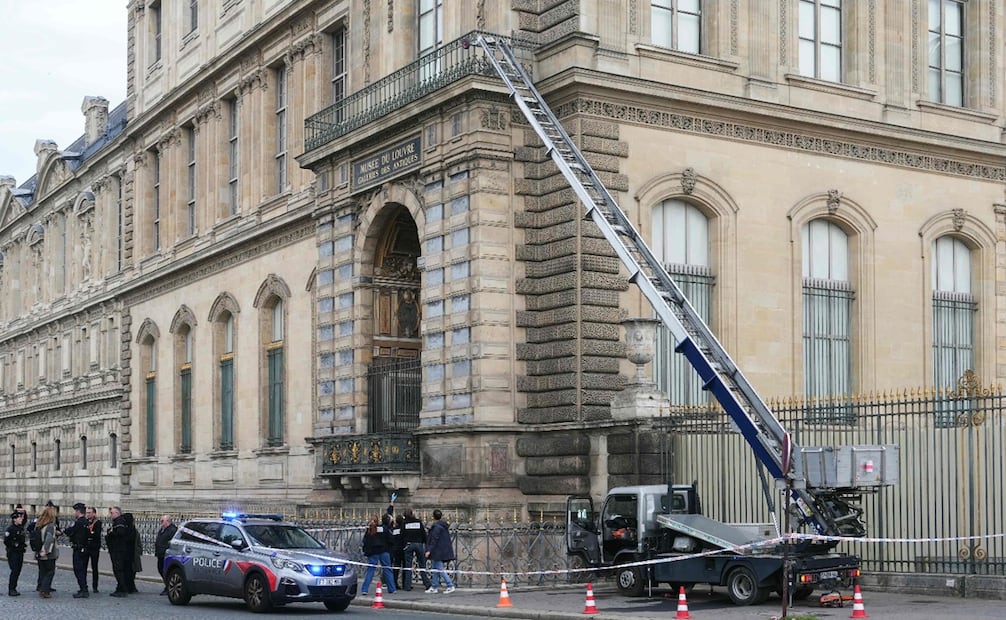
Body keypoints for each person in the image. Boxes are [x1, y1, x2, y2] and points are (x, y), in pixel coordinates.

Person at [360, 514, 396, 596]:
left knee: (370, 571)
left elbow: (365, 542)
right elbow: (391, 538)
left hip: (373, 552)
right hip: (384, 551)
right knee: (387, 569)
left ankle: (365, 589)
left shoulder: (369, 530)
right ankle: (392, 588)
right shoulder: (383, 528)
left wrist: (366, 551)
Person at [63, 502, 91, 598]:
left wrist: (64, 531)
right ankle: (83, 588)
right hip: (85, 549)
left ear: (78, 511)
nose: (74, 513)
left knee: (78, 569)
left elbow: (71, 531)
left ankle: (84, 589)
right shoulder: (86, 522)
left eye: (75, 511)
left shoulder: (79, 522)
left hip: (79, 549)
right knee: (82, 569)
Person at [424, 509, 456, 594]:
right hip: (440, 550)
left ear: (433, 517)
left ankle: (450, 585)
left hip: (437, 551)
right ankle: (434, 586)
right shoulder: (442, 526)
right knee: (435, 569)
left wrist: (429, 550)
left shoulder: (436, 527)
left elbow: (434, 540)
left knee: (440, 569)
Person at [401, 507, 431, 591]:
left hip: (408, 544)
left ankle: (407, 585)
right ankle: (427, 584)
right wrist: (425, 543)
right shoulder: (418, 522)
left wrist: (403, 545)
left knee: (408, 566)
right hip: (418, 544)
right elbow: (423, 533)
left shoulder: (404, 523)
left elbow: (402, 535)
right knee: (422, 564)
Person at [105, 506, 133, 597]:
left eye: (112, 513)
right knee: (118, 569)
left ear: (117, 513)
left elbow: (120, 533)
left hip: (118, 550)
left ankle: (122, 589)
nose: (111, 515)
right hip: (117, 549)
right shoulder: (118, 521)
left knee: (119, 570)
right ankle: (120, 587)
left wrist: (111, 533)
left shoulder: (119, 521)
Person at [35, 505, 60, 598]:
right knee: (50, 571)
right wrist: (45, 550)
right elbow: (49, 539)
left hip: (38, 550)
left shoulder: (39, 524)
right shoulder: (50, 526)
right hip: (47, 553)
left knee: (42, 571)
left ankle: (41, 586)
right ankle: (45, 590)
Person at [4, 510, 27, 596]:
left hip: (20, 552)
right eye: (19, 518)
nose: (21, 519)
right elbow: (6, 541)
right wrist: (14, 545)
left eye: (21, 517)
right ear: (14, 519)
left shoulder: (21, 528)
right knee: (14, 570)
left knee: (18, 571)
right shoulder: (10, 529)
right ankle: (11, 589)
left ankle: (14, 587)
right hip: (13, 552)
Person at [154, 514, 178, 595]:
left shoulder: (172, 530)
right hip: (160, 553)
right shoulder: (163, 529)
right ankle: (167, 585)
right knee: (160, 569)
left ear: (167, 521)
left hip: (166, 554)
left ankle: (168, 587)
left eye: (162, 521)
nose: (161, 523)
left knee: (165, 570)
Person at [84, 506, 103, 593]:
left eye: (89, 513)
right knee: (83, 567)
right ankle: (84, 586)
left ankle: (95, 586)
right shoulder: (85, 522)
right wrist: (90, 533)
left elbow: (96, 534)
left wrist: (89, 533)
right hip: (86, 547)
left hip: (94, 547)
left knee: (94, 567)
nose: (88, 514)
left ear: (94, 513)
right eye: (87, 513)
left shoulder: (97, 523)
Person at [125, 512, 141, 593]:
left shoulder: (131, 530)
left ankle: (130, 586)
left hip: (131, 554)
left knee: (130, 571)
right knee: (131, 571)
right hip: (132, 554)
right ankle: (131, 586)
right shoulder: (132, 529)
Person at [390, 514, 406, 589]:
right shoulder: (403, 529)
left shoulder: (394, 529)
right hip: (402, 549)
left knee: (396, 566)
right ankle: (405, 583)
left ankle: (394, 582)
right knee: (405, 567)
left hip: (395, 549)